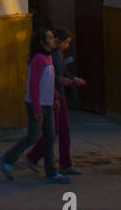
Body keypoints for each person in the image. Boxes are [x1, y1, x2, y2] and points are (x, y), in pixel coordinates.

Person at [0, 28, 71, 183]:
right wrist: (37, 109)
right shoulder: (38, 59)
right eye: (50, 38)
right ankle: (7, 159)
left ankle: (51, 172)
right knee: (32, 137)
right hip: (36, 105)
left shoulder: (48, 57)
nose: (53, 40)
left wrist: (55, 97)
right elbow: (34, 86)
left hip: (47, 104)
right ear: (42, 42)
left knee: (50, 137)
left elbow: (48, 82)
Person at [25, 27, 86, 177]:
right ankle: (38, 159)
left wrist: (71, 80)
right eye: (65, 42)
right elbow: (42, 81)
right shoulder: (45, 56)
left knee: (59, 131)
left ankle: (61, 163)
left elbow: (60, 74)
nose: (66, 46)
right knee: (50, 133)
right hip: (51, 98)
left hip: (57, 96)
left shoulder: (56, 55)